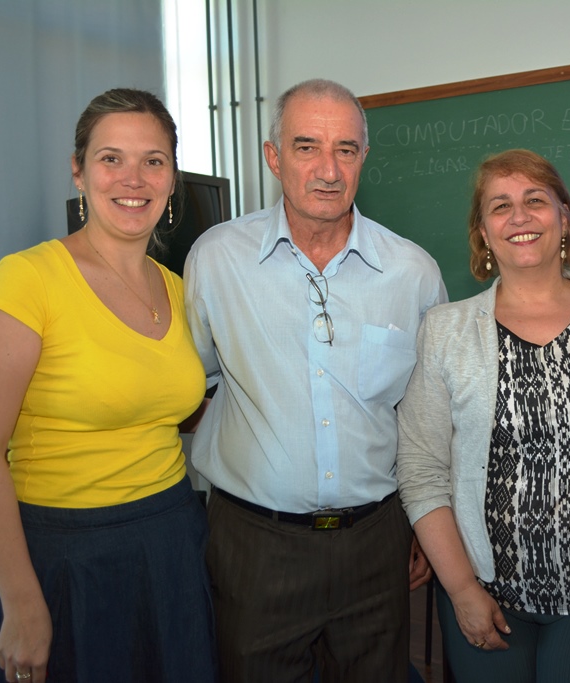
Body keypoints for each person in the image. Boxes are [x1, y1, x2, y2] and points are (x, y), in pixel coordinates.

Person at [0, 88, 217, 682]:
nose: (134, 178)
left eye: (153, 160)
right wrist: (20, 601)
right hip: (61, 552)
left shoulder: (177, 289)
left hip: (171, 540)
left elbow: (170, 405)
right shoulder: (27, 279)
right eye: (110, 158)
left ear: (172, 179)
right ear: (78, 171)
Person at [183, 78, 445, 682]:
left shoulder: (412, 273)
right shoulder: (217, 259)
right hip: (255, 544)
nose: (328, 170)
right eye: (307, 147)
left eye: (345, 150)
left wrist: (423, 523)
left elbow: (427, 418)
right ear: (274, 157)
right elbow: (189, 385)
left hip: (376, 541)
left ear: (363, 158)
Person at [395, 149, 570, 683]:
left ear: (565, 216)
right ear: (483, 232)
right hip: (485, 591)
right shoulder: (445, 330)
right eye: (500, 206)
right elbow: (422, 471)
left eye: (535, 200)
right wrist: (461, 590)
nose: (519, 216)